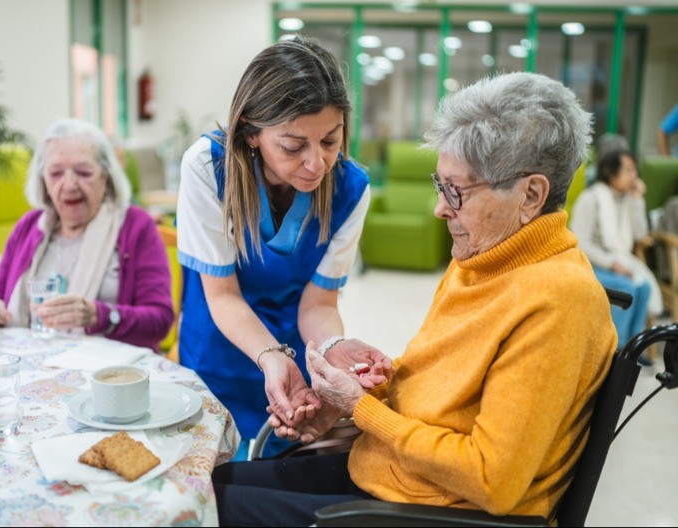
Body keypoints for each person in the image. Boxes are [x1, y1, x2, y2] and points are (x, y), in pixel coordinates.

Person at [211, 71, 618, 527]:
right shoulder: (484, 258)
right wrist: (370, 388)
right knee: (214, 482)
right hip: (390, 475)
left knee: (210, 509)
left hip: (431, 512)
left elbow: (493, 480)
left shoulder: (557, 303)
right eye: (439, 185)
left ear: (531, 195)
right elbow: (446, 395)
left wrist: (361, 410)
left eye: (456, 191)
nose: (440, 208)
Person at [175, 35, 390, 454]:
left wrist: (331, 349)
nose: (317, 164)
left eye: (331, 141)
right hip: (217, 356)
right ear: (252, 133)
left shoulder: (351, 188)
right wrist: (271, 355)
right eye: (293, 146)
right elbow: (222, 297)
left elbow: (319, 304)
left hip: (297, 361)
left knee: (271, 474)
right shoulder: (206, 168)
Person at [0, 118, 175, 350]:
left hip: (109, 375)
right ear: (42, 179)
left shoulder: (135, 225)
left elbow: (160, 320)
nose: (69, 185)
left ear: (105, 177)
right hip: (29, 368)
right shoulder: (27, 227)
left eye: (83, 172)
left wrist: (98, 316)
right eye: (56, 173)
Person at [570, 147, 663, 357]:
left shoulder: (626, 199)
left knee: (645, 287)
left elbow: (640, 234)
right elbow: (580, 242)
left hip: (619, 263)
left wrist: (637, 200)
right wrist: (611, 264)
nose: (634, 176)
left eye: (634, 170)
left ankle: (633, 348)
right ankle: (617, 350)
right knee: (628, 288)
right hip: (593, 265)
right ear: (611, 172)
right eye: (628, 170)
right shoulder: (591, 198)